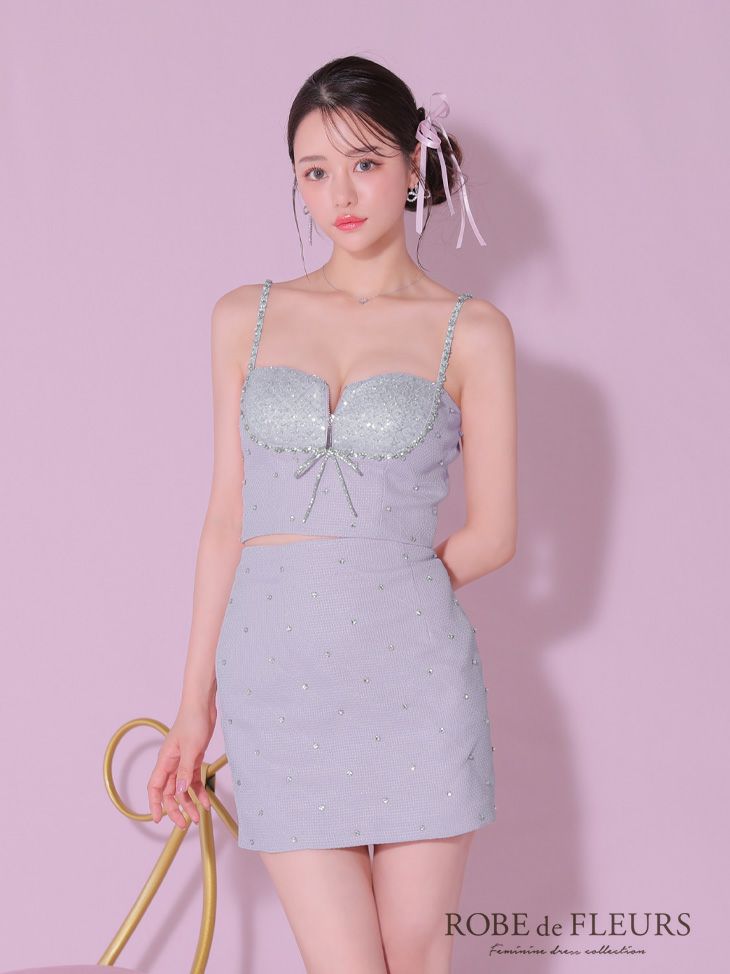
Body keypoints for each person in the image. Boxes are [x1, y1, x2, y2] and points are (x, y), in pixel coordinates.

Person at [147, 54, 516, 974]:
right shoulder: (243, 316)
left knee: (416, 959)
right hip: (275, 685)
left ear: (413, 163)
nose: (340, 194)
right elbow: (225, 519)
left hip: (416, 685)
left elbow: (495, 535)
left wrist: (384, 582)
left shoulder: (473, 330)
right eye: (315, 171)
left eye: (364, 162)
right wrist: (192, 709)